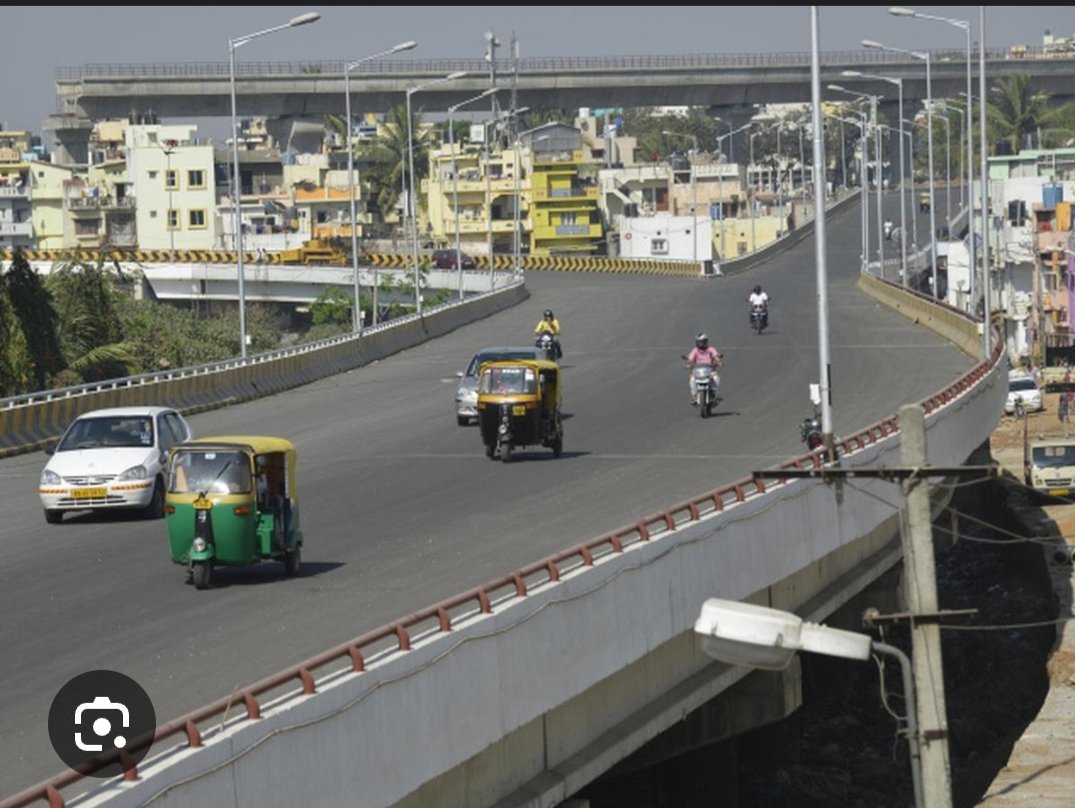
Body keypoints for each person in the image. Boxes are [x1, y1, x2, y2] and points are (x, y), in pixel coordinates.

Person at [684, 333, 722, 405]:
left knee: (716, 377)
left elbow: (716, 357)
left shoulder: (711, 349)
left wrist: (719, 362)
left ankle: (715, 394)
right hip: (697, 371)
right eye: (699, 342)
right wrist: (689, 363)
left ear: (705, 342)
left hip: (709, 370)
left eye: (702, 342)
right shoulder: (695, 350)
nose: (700, 344)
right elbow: (690, 359)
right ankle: (694, 396)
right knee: (691, 379)